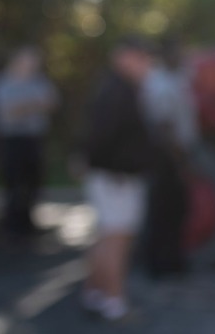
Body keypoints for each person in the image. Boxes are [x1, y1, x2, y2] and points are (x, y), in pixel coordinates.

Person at [76, 36, 156, 322]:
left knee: (106, 234)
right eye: (142, 57)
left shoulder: (115, 88)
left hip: (111, 175)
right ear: (124, 57)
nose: (147, 64)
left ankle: (94, 292)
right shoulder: (119, 92)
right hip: (116, 178)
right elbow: (103, 137)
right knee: (117, 237)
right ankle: (114, 301)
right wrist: (111, 168)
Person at [139, 34, 198, 279]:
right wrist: (178, 159)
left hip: (178, 153)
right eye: (178, 52)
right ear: (167, 55)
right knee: (162, 209)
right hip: (165, 155)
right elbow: (163, 125)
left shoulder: (177, 77)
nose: (182, 56)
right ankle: (158, 263)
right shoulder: (159, 82)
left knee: (176, 209)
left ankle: (173, 259)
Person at [0, 45, 58, 238]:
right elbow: (8, 112)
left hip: (34, 138)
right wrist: (34, 104)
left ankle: (28, 221)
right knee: (13, 180)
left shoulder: (39, 81)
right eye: (29, 60)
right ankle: (12, 223)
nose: (33, 65)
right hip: (11, 139)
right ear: (17, 60)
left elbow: (51, 103)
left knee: (34, 178)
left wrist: (24, 106)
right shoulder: (1, 82)